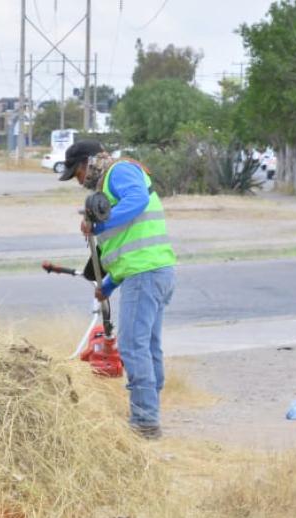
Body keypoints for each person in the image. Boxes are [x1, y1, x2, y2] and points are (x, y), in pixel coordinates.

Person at [59, 140, 177, 440]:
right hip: (152, 270)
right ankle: (149, 411)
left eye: (77, 172)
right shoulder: (109, 187)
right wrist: (107, 285)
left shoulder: (119, 171)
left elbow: (136, 200)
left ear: (88, 163)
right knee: (148, 346)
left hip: (145, 275)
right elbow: (129, 245)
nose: (78, 180)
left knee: (132, 347)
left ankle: (145, 421)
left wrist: (98, 223)